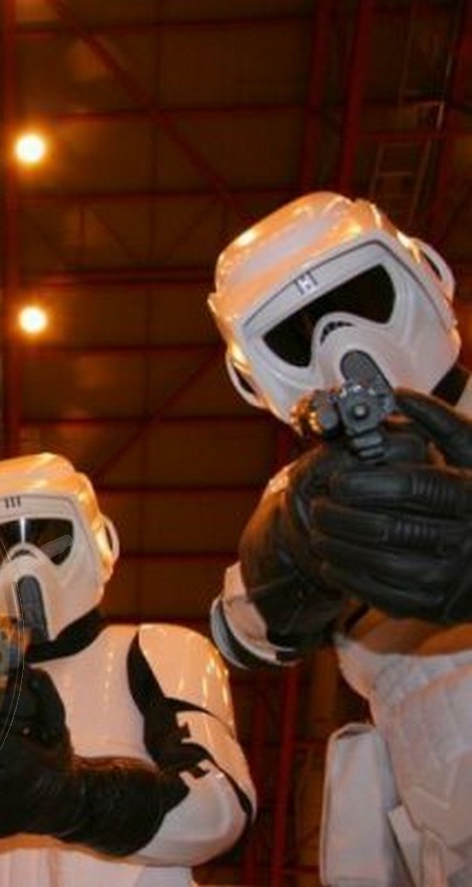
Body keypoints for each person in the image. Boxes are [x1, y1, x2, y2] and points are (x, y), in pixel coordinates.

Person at [206, 191, 472, 885]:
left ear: (426, 277)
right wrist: (291, 548)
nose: (340, 343)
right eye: (295, 334)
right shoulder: (311, 490)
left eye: (359, 298)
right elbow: (244, 629)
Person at [0, 453, 255, 887]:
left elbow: (219, 808)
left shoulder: (154, 650)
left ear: (99, 541)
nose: (24, 562)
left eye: (47, 538)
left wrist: (69, 798)